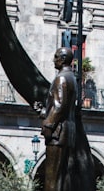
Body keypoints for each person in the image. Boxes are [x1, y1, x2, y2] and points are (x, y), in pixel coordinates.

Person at [38, 47, 77, 191]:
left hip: (58, 133)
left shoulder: (61, 78)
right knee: (63, 177)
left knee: (52, 177)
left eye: (56, 57)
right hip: (68, 132)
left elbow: (59, 106)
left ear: (63, 59)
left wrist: (48, 125)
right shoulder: (71, 77)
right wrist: (44, 111)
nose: (53, 59)